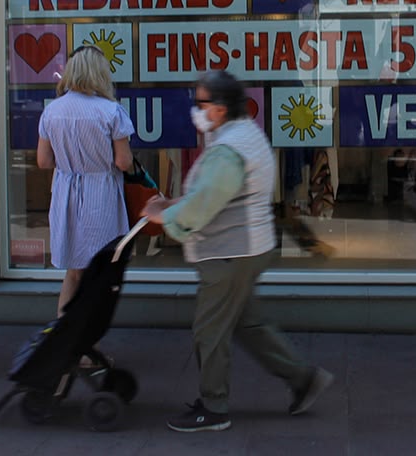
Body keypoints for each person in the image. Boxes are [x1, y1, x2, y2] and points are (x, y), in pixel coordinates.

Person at [141, 70, 334, 433]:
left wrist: (163, 216)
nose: (196, 109)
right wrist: (176, 202)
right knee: (247, 323)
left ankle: (213, 408)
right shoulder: (243, 134)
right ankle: (304, 379)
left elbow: (207, 203)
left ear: (220, 108)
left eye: (202, 102)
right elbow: (216, 193)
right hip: (248, 246)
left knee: (209, 331)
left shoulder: (228, 149)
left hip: (229, 251)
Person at [36, 45, 135, 319]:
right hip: (100, 194)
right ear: (100, 73)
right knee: (100, 271)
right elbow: (123, 162)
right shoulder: (111, 111)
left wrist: (71, 163)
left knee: (74, 272)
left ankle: (61, 339)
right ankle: (87, 345)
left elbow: (43, 161)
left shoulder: (52, 111)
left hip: (66, 190)